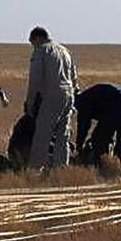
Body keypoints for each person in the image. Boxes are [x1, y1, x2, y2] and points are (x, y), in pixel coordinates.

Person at [25, 26, 77, 169]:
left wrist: (29, 102)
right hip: (69, 95)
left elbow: (35, 80)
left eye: (32, 43)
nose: (33, 46)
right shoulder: (64, 51)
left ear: (37, 38)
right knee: (63, 136)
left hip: (52, 96)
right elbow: (74, 78)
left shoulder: (41, 51)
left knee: (43, 134)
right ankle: (61, 169)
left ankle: (34, 170)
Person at [74, 83, 121, 167]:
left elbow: (83, 127)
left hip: (119, 101)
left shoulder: (82, 102)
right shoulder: (89, 94)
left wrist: (79, 147)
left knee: (99, 140)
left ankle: (101, 168)